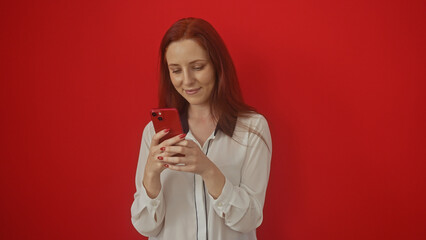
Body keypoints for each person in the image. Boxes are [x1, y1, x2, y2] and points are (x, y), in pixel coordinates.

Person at [131, 17, 272, 240]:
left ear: (217, 65)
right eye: (176, 70)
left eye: (197, 67)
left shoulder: (252, 128)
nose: (187, 81)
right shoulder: (154, 133)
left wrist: (209, 170)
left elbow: (250, 219)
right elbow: (145, 227)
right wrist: (150, 175)